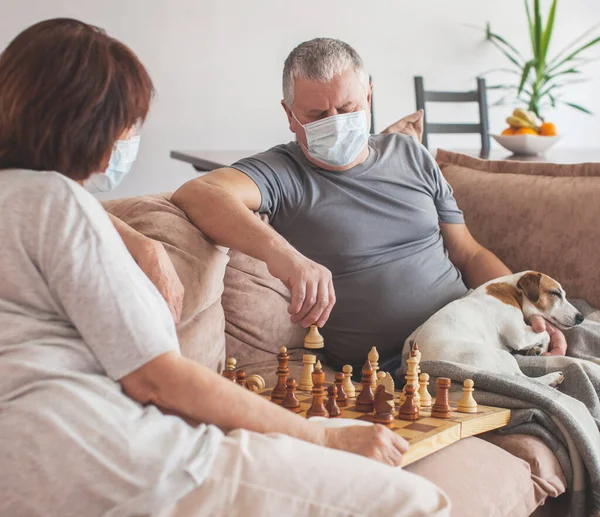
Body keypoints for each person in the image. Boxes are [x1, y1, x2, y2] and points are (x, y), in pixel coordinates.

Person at [0, 19, 451, 517]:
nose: (129, 138)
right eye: (127, 122)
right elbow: (157, 379)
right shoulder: (58, 204)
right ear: (86, 125)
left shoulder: (29, 199)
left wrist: (134, 239)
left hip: (59, 450)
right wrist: (327, 444)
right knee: (418, 501)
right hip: (114, 458)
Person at [172, 38, 566, 371]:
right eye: (316, 115)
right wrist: (285, 256)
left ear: (370, 96)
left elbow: (467, 251)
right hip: (411, 365)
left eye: (346, 109)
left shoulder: (410, 154)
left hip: (479, 326)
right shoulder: (282, 172)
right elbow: (197, 193)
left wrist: (525, 307)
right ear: (290, 116)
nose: (334, 122)